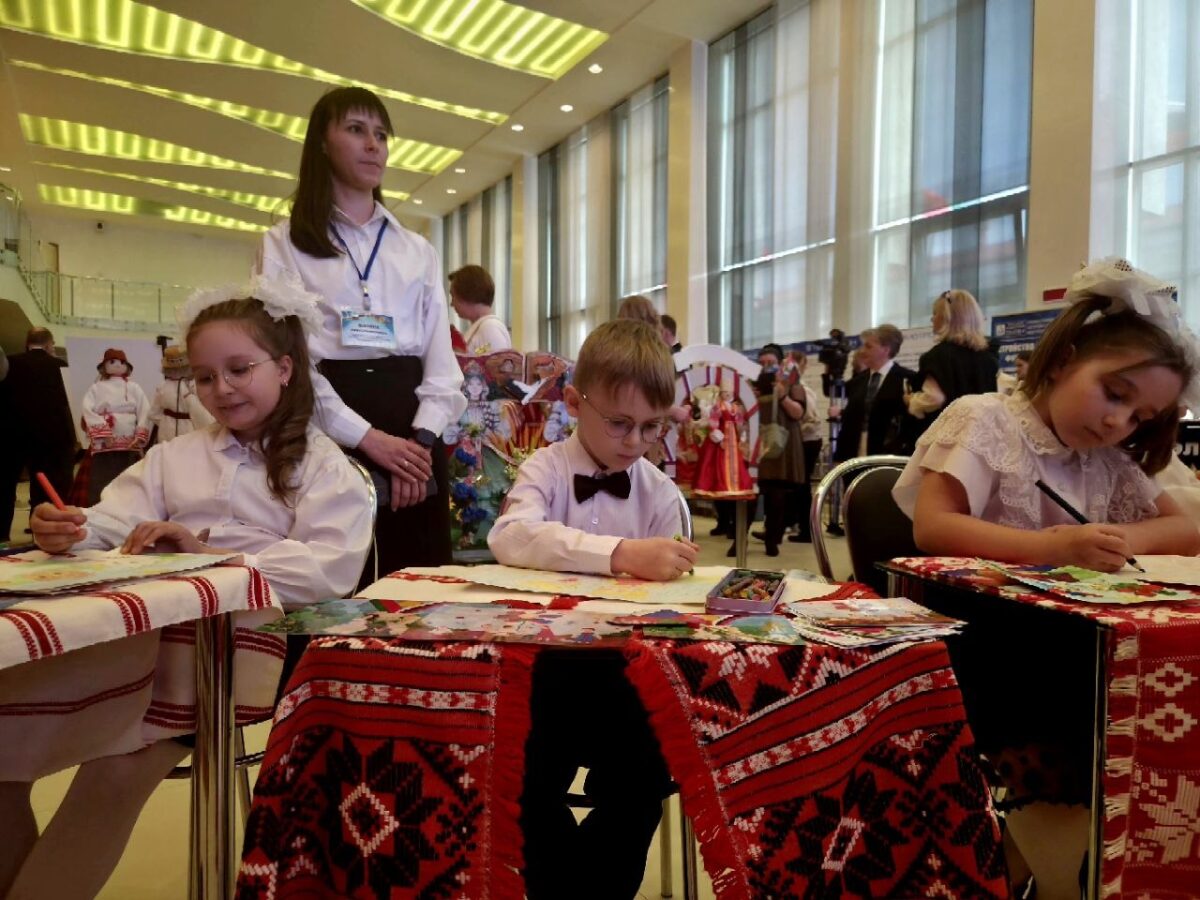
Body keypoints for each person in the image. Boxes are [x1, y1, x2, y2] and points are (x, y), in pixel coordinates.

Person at [2, 281, 372, 900]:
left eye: (239, 369)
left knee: (114, 774)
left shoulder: (323, 464)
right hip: (146, 633)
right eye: (204, 376)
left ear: (284, 369)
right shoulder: (175, 457)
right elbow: (112, 520)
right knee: (5, 748)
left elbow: (326, 573)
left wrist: (209, 558)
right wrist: (70, 527)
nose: (221, 388)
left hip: (246, 643)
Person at [892, 258, 1200, 900]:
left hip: (1069, 641)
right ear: (1062, 360)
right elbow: (933, 526)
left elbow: (1186, 528)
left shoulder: (1104, 458)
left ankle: (1047, 858)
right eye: (1114, 394)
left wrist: (1122, 539)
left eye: (1139, 416)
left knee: (1150, 682)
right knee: (1078, 693)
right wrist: (1046, 548)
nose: (1118, 423)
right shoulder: (985, 419)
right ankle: (1050, 865)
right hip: (981, 641)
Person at [488, 319, 698, 900]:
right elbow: (510, 535)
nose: (635, 442)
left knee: (642, 780)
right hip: (544, 672)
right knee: (520, 780)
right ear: (575, 403)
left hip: (627, 679)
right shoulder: (545, 468)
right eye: (620, 423)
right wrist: (621, 553)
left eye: (651, 427)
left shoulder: (660, 492)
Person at [257, 86, 465, 580]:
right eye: (356, 130)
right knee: (341, 584)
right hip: (330, 424)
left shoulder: (416, 249)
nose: (373, 145)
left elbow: (441, 363)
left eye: (381, 135)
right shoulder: (283, 243)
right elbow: (289, 362)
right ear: (322, 144)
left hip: (414, 425)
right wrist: (367, 438)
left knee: (421, 588)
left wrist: (419, 443)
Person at [0, 328, 75, 543]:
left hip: (10, 435)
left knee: (5, 486)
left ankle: (1, 536)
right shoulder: (61, 366)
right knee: (46, 487)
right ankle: (40, 534)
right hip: (51, 438)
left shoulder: (9, 363)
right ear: (50, 344)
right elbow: (68, 404)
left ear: (27, 343)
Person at [905, 289, 999, 430]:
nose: (932, 319)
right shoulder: (988, 356)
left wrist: (912, 400)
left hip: (949, 432)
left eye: (935, 313)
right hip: (981, 431)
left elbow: (935, 398)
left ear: (947, 318)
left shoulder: (937, 356)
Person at [752, 343, 808, 556]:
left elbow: (798, 413)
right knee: (751, 493)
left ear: (780, 363)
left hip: (782, 443)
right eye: (762, 363)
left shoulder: (791, 381)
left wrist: (782, 395)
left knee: (777, 495)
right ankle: (739, 539)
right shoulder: (752, 382)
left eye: (771, 362)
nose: (766, 366)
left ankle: (772, 540)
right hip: (758, 442)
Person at [832, 324, 916, 463]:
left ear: (885, 349)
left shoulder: (907, 379)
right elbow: (849, 419)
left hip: (888, 457)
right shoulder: (858, 381)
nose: (862, 351)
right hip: (854, 455)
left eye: (868, 346)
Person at [79, 348, 151, 505]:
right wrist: (103, 432)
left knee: (129, 475)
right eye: (112, 362)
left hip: (129, 442)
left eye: (122, 362)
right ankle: (101, 505)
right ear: (104, 366)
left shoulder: (134, 387)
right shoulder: (96, 387)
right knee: (103, 476)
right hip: (105, 444)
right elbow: (87, 409)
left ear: (127, 366)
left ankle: (130, 504)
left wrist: (140, 434)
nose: (118, 365)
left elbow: (144, 410)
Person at [148, 345, 213, 444]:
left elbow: (154, 413)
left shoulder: (164, 386)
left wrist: (165, 421)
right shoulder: (193, 385)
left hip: (172, 430)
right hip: (185, 429)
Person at [450, 264, 512, 354]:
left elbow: (493, 361)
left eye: (453, 296)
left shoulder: (490, 328)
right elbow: (478, 354)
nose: (452, 304)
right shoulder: (484, 327)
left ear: (467, 294)